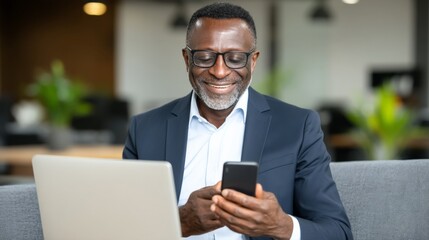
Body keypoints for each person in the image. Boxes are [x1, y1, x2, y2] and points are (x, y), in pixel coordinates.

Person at [123, 2, 352, 240]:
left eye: (235, 58)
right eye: (204, 57)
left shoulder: (298, 126)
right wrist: (179, 222)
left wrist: (280, 225)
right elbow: (120, 226)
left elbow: (338, 233)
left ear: (253, 61)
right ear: (186, 59)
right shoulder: (145, 130)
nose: (219, 71)